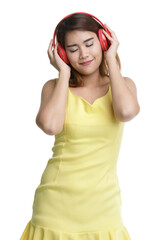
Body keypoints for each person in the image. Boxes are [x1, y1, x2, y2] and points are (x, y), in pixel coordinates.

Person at [20, 12, 140, 240]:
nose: (84, 54)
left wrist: (111, 60)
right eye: (73, 49)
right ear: (63, 53)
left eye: (89, 44)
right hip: (54, 208)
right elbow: (50, 126)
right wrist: (63, 74)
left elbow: (126, 112)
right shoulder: (53, 88)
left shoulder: (124, 86)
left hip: (104, 209)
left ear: (103, 41)